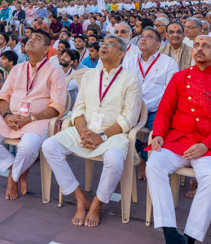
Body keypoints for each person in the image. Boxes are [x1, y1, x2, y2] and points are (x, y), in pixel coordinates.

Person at [147, 35, 211, 244]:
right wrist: (158, 133)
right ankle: (170, 233)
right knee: (154, 164)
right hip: (177, 139)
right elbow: (164, 110)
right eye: (197, 45)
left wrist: (206, 145)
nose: (200, 49)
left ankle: (187, 240)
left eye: (206, 46)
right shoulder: (179, 77)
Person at [41, 35, 142, 228]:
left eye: (110, 45)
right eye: (103, 43)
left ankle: (97, 203)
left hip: (113, 134)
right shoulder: (89, 75)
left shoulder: (131, 79)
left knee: (114, 159)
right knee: (49, 146)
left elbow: (129, 118)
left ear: (122, 54)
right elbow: (78, 109)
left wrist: (101, 136)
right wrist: (82, 131)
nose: (104, 46)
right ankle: (80, 198)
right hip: (85, 130)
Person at [0, 28, 68, 200]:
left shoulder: (55, 71)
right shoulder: (17, 69)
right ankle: (17, 169)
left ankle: (13, 177)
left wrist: (31, 118)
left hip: (37, 120)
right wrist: (6, 116)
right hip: (11, 118)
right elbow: (3, 97)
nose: (31, 40)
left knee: (27, 147)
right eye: (30, 37)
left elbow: (57, 106)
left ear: (46, 49)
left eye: (37, 38)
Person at [130, 27, 178, 175]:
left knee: (160, 134)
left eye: (148, 37)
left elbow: (170, 92)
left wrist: (146, 106)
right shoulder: (130, 61)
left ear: (158, 44)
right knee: (117, 127)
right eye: (142, 36)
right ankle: (142, 151)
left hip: (156, 109)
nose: (143, 39)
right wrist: (136, 106)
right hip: (132, 108)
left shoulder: (168, 63)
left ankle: (149, 160)